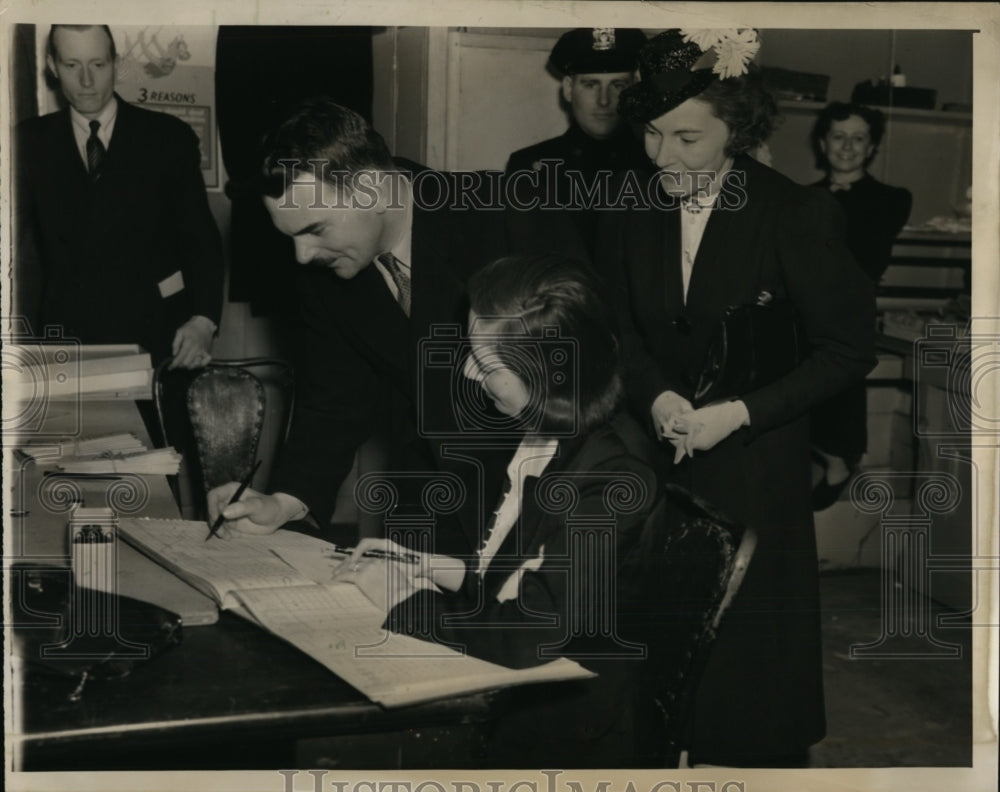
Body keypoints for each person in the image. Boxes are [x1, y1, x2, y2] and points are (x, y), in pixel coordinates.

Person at [598, 29, 877, 766]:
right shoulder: (636, 206)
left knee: (747, 686)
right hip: (662, 463)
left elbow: (848, 351)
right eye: (652, 135)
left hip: (756, 465)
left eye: (688, 138)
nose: (663, 158)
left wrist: (741, 413)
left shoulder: (793, 214)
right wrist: (656, 396)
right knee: (659, 669)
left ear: (738, 130)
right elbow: (622, 328)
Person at [323, 254, 662, 768]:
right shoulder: (558, 437)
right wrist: (426, 567)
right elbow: (522, 572)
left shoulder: (616, 480)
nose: (466, 372)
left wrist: (403, 604)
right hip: (531, 693)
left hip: (564, 730)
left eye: (486, 365)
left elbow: (528, 634)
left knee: (348, 743)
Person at [207, 99, 584, 555]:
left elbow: (588, 372)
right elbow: (333, 401)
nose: (303, 256)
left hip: (546, 496)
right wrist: (285, 502)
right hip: (429, 498)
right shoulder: (326, 268)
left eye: (316, 229)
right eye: (291, 237)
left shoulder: (506, 216)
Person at [15, 24, 223, 368]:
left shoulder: (168, 138)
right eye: (71, 65)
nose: (86, 81)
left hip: (159, 341)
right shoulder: (27, 143)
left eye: (97, 65)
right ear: (52, 66)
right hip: (67, 344)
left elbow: (201, 241)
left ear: (116, 63)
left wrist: (203, 321)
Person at [808, 101, 912, 509]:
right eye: (838, 136)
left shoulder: (891, 199)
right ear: (822, 143)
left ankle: (840, 456)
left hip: (849, 311)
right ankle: (834, 455)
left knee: (835, 355)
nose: (847, 146)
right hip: (808, 310)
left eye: (859, 138)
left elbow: (865, 259)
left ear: (872, 148)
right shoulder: (801, 197)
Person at [505, 27, 649, 256]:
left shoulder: (657, 166)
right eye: (591, 85)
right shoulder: (530, 168)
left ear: (635, 90)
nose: (604, 101)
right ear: (569, 89)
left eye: (618, 86)